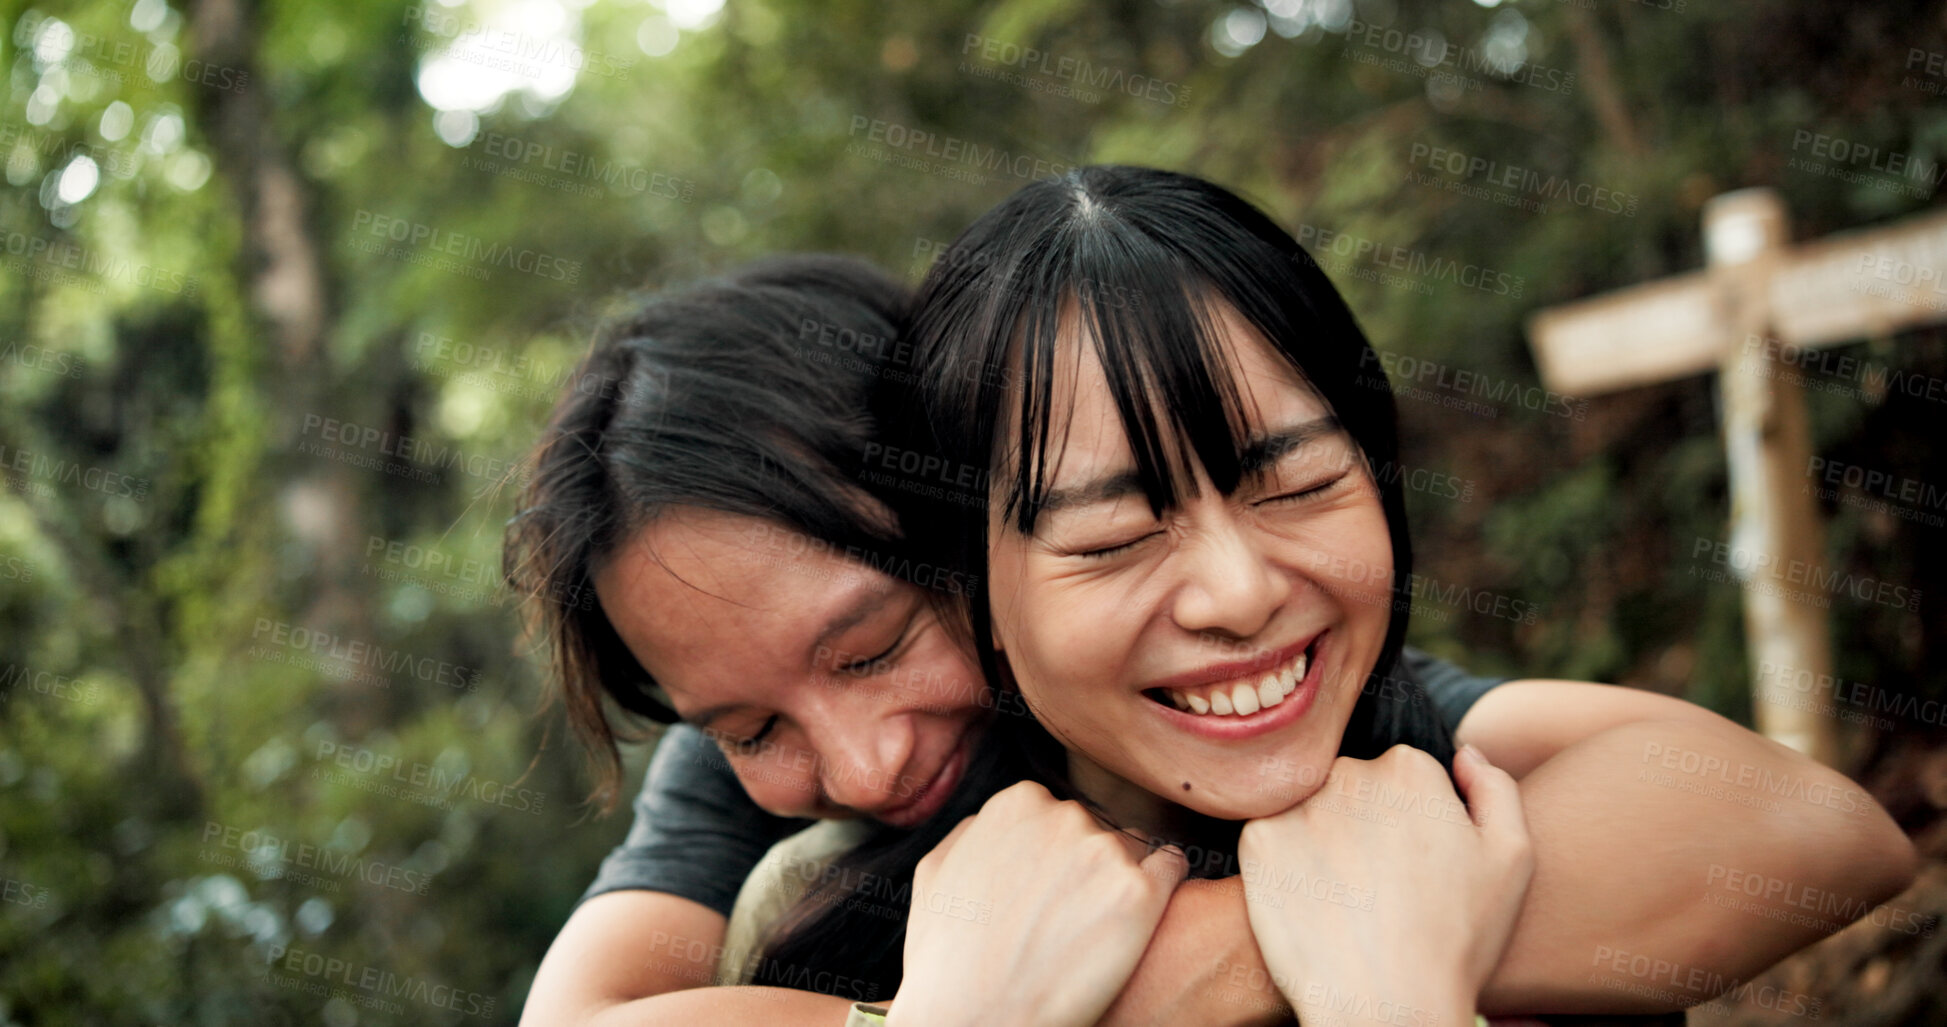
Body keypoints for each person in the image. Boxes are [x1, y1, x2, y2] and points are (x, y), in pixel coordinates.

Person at [510, 233, 1913, 1025]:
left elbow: (1800, 832)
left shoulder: (1250, 707)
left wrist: (1218, 956)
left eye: (872, 646)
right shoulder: (777, 813)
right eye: (748, 725)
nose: (862, 763)